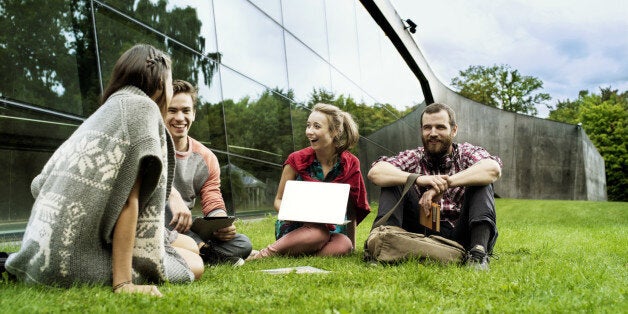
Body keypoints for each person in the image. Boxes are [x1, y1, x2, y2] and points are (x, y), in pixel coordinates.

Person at [3, 44, 204, 296]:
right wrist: (123, 284)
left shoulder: (105, 111)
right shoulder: (143, 109)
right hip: (71, 260)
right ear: (159, 83)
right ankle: (121, 274)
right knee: (195, 264)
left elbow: (39, 183)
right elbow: (128, 202)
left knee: (191, 247)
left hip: (41, 253)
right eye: (170, 82)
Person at [367, 103, 502, 270]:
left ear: (454, 130)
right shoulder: (413, 156)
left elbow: (492, 169)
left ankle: (478, 255)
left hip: (462, 232)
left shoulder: (466, 153)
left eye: (440, 127)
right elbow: (376, 172)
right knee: (394, 179)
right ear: (421, 131)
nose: (433, 133)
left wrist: (444, 184)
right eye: (427, 127)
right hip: (422, 232)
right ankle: (380, 246)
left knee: (481, 181)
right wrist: (418, 179)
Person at [248, 103, 370, 260]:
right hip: (295, 227)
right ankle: (263, 255)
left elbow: (352, 207)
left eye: (316, 126)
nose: (309, 132)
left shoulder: (350, 163)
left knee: (343, 244)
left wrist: (352, 245)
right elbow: (278, 200)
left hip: (331, 231)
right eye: (308, 126)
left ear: (334, 132)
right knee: (317, 233)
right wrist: (294, 213)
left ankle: (291, 255)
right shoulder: (296, 159)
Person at [163, 79, 252, 266]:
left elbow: (212, 196)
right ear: (162, 112)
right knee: (163, 206)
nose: (180, 117)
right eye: (172, 110)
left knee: (243, 243)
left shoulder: (206, 157)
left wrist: (221, 223)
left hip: (184, 227)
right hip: (159, 222)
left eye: (186, 111)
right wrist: (173, 196)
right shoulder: (149, 145)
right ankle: (205, 252)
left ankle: (196, 249)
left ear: (193, 114)